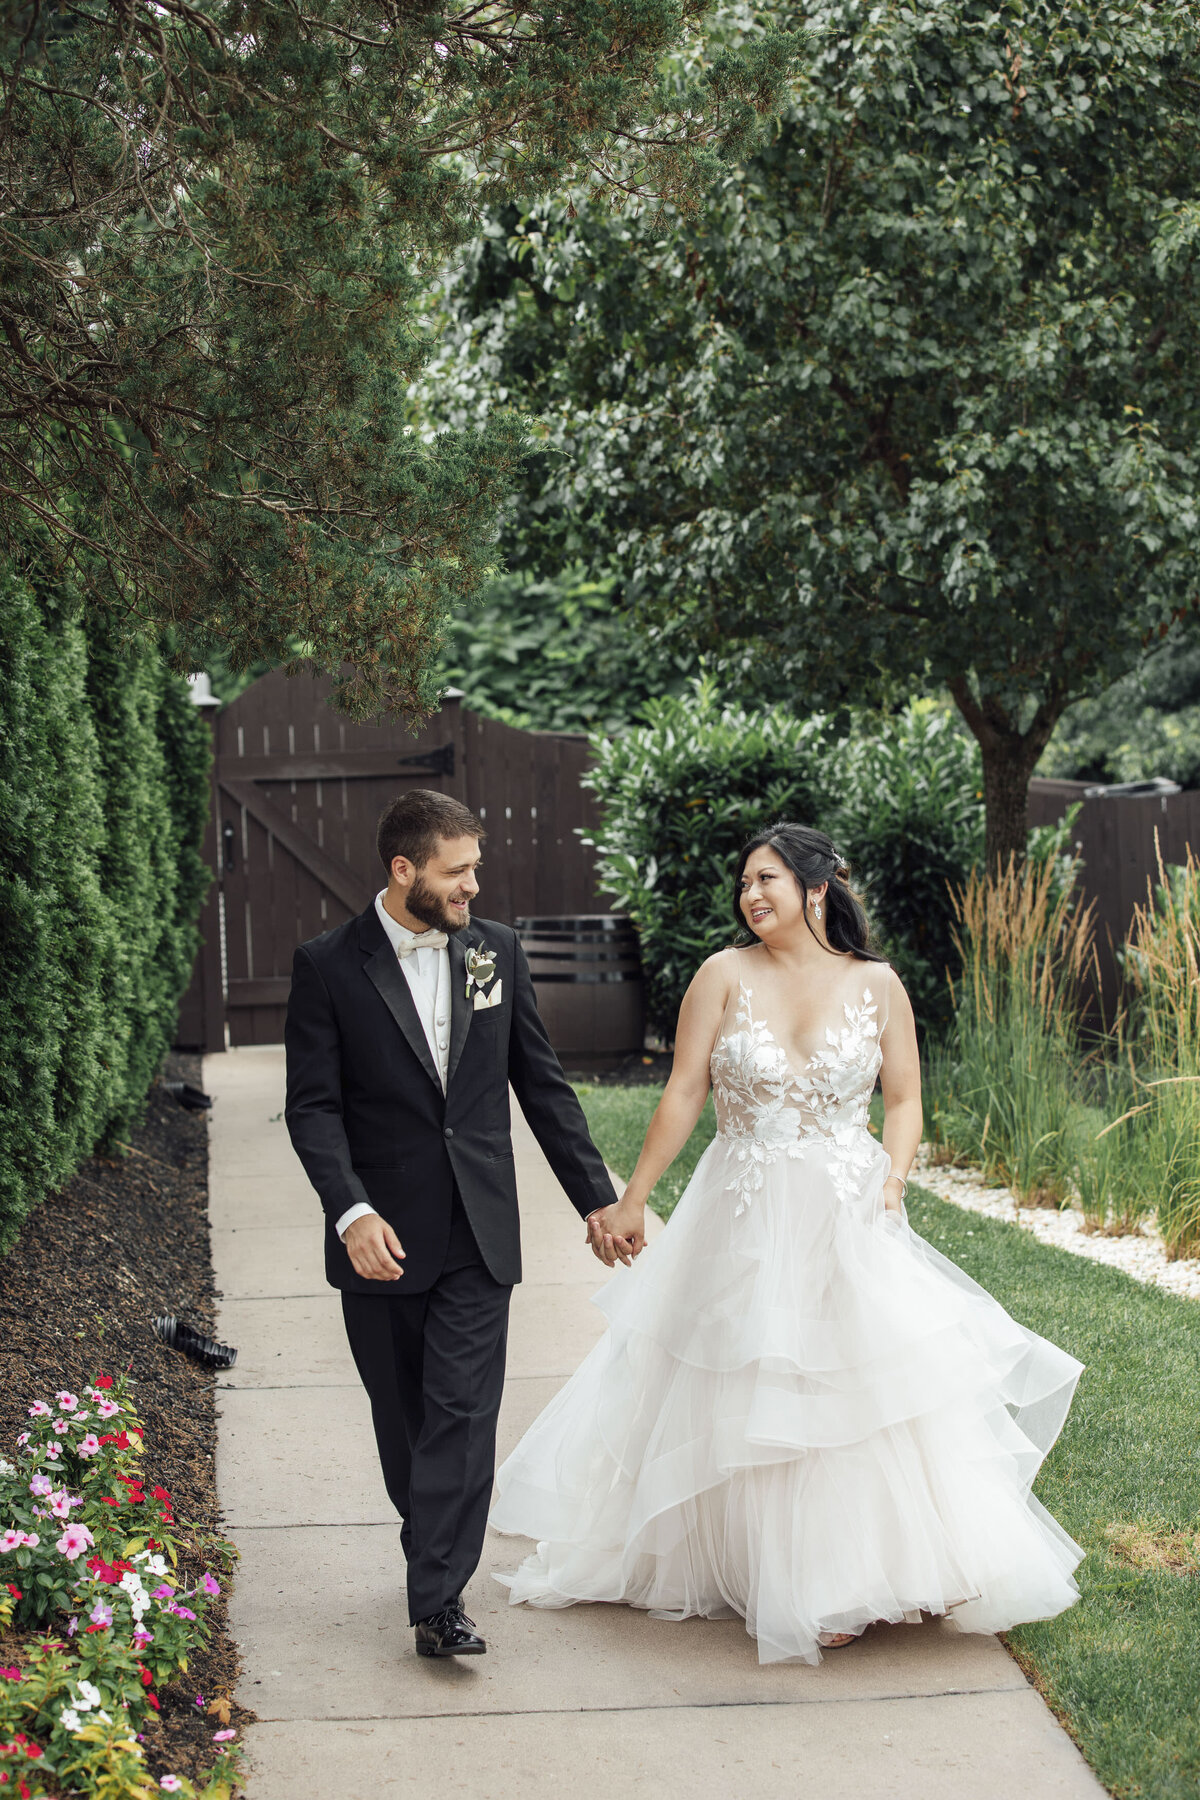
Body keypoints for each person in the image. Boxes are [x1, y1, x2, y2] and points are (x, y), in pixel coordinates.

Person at [491, 822, 1084, 1664]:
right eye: (744, 884)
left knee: (863, 1386)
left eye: (767, 879)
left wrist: (893, 1179)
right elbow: (685, 1090)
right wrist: (632, 1199)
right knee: (759, 1387)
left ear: (816, 888)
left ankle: (901, 1564)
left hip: (848, 1206)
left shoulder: (877, 984)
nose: (751, 896)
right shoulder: (721, 975)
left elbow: (906, 1098)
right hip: (743, 1206)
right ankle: (804, 1580)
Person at [284, 789, 618, 1658]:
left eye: (475, 868)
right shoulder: (326, 964)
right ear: (405, 871)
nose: (475, 885)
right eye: (457, 870)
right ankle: (430, 1549)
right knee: (405, 1426)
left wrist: (596, 1199)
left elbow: (539, 1084)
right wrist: (350, 1209)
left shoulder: (495, 951)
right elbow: (313, 1109)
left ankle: (438, 1601)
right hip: (381, 1237)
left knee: (464, 1416)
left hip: (479, 1228)